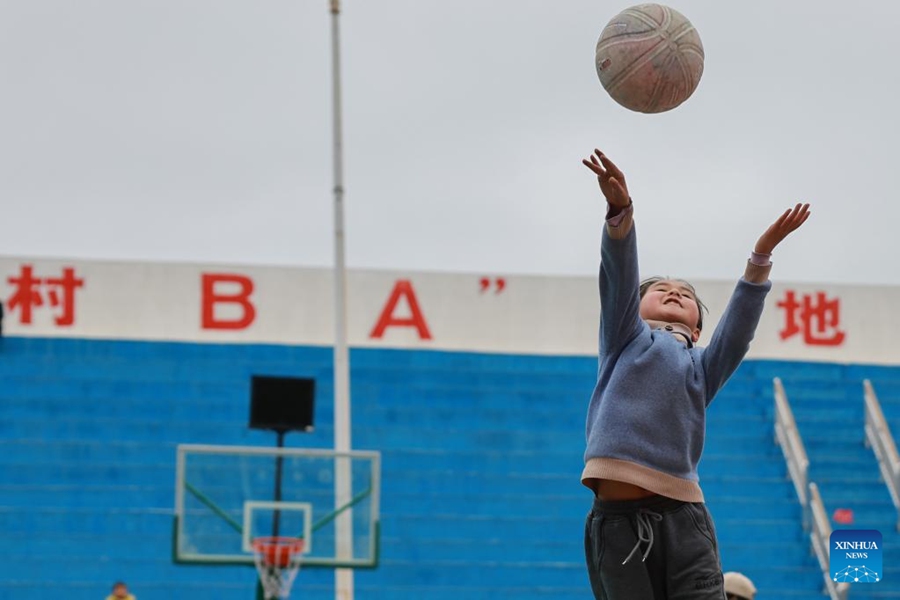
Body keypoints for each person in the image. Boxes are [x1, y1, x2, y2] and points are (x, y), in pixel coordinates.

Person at [580, 148, 810, 599]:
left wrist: (760, 256)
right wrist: (621, 214)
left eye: (685, 294)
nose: (673, 291)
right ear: (635, 310)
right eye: (660, 289)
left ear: (698, 326)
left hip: (685, 519)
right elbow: (620, 277)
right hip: (617, 523)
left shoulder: (701, 366)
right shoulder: (624, 338)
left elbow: (738, 330)